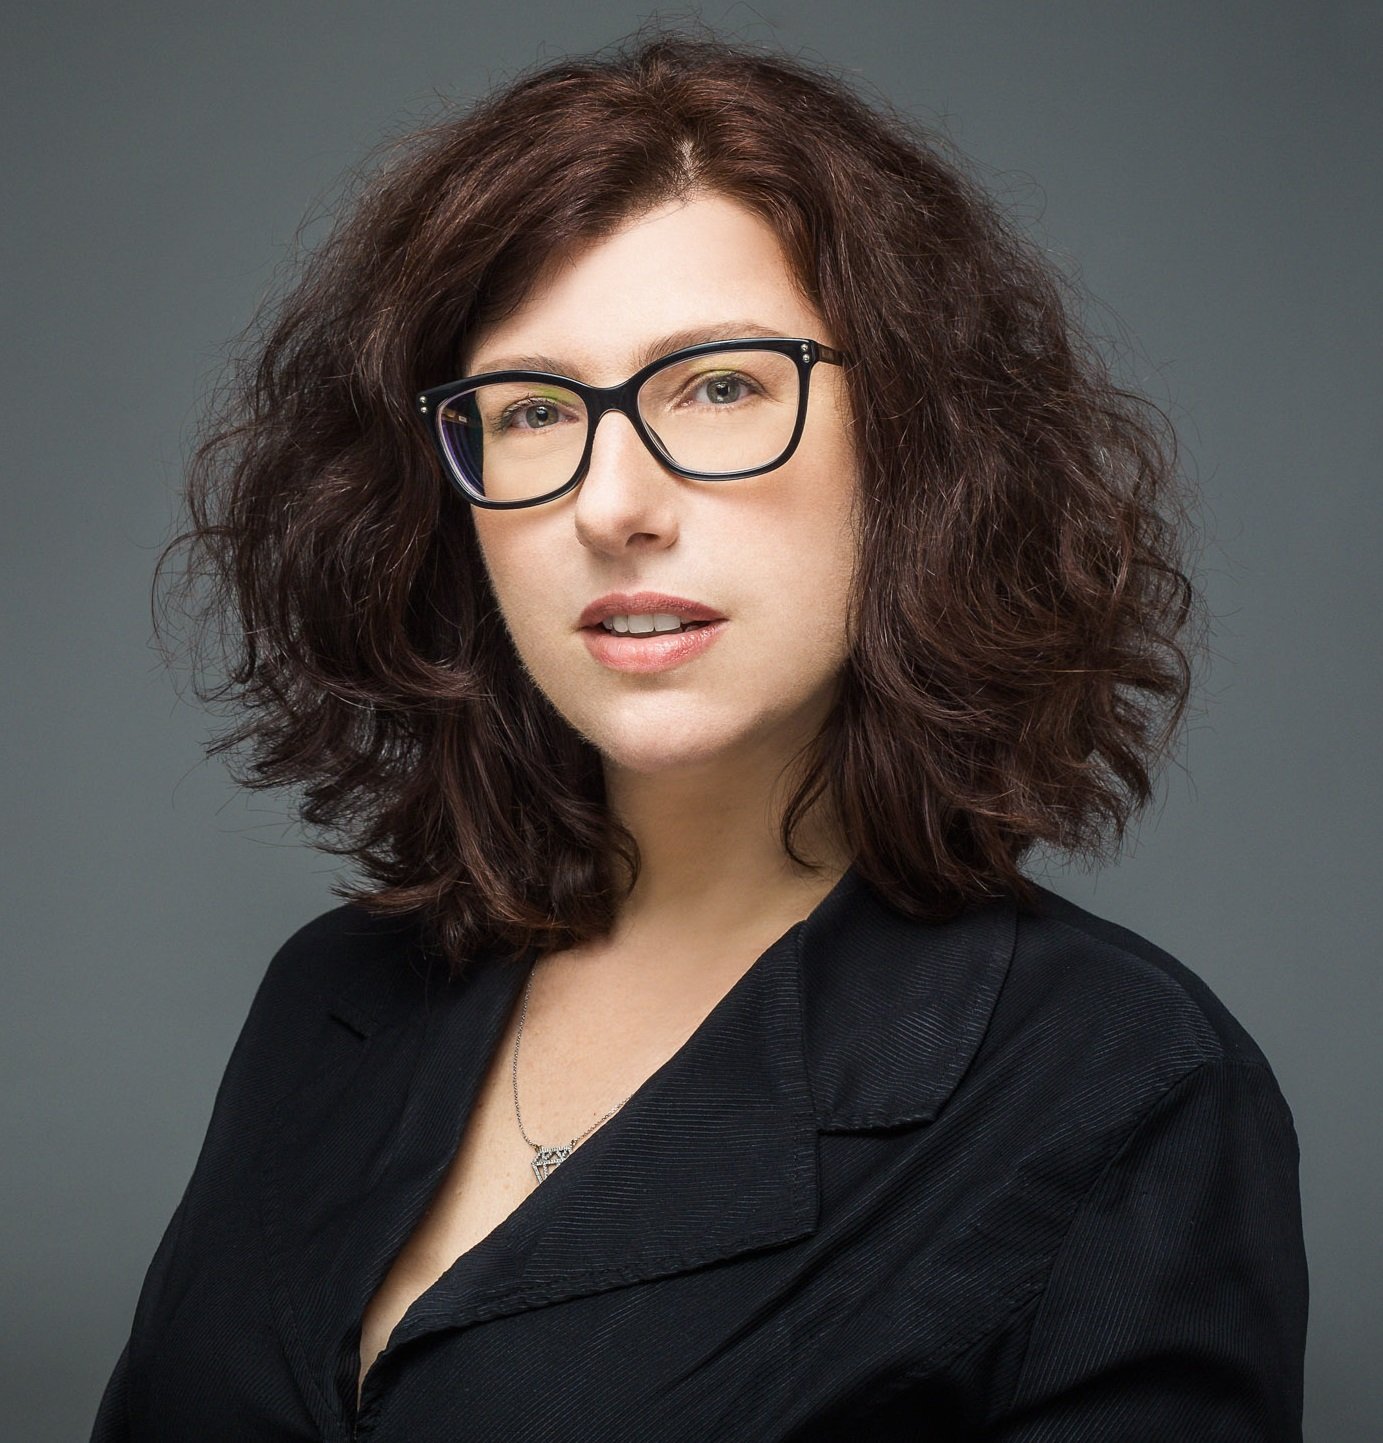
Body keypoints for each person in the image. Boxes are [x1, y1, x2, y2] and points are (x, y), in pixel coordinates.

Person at [91, 30, 1308, 1443]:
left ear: (916, 451)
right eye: (535, 409)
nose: (614, 503)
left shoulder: (1121, 1092)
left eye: (721, 385)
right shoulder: (335, 996)